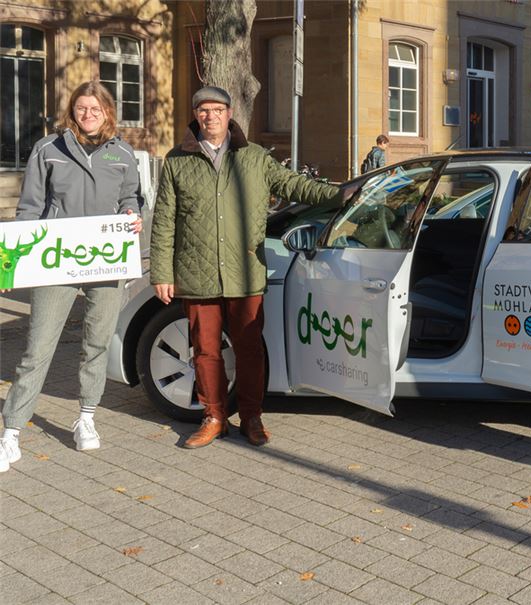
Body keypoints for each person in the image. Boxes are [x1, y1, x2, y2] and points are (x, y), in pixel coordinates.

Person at [150, 86, 342, 449]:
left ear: (229, 113)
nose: (211, 116)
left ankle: (252, 416)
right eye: (203, 110)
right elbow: (164, 220)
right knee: (204, 351)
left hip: (246, 271)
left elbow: (294, 185)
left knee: (249, 348)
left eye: (217, 110)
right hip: (196, 271)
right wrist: (161, 272)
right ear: (196, 114)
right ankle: (214, 417)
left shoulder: (254, 158)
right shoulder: (177, 160)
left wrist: (342, 194)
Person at [1, 81, 143, 472]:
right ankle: (11, 431)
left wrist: (132, 217)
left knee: (96, 343)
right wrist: (11, 263)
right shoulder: (48, 150)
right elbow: (29, 209)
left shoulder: (123, 153)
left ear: (108, 112)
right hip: (55, 262)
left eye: (95, 109)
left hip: (105, 260)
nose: (88, 115)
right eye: (81, 109)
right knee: (38, 348)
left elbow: (132, 198)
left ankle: (86, 418)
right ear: (72, 112)